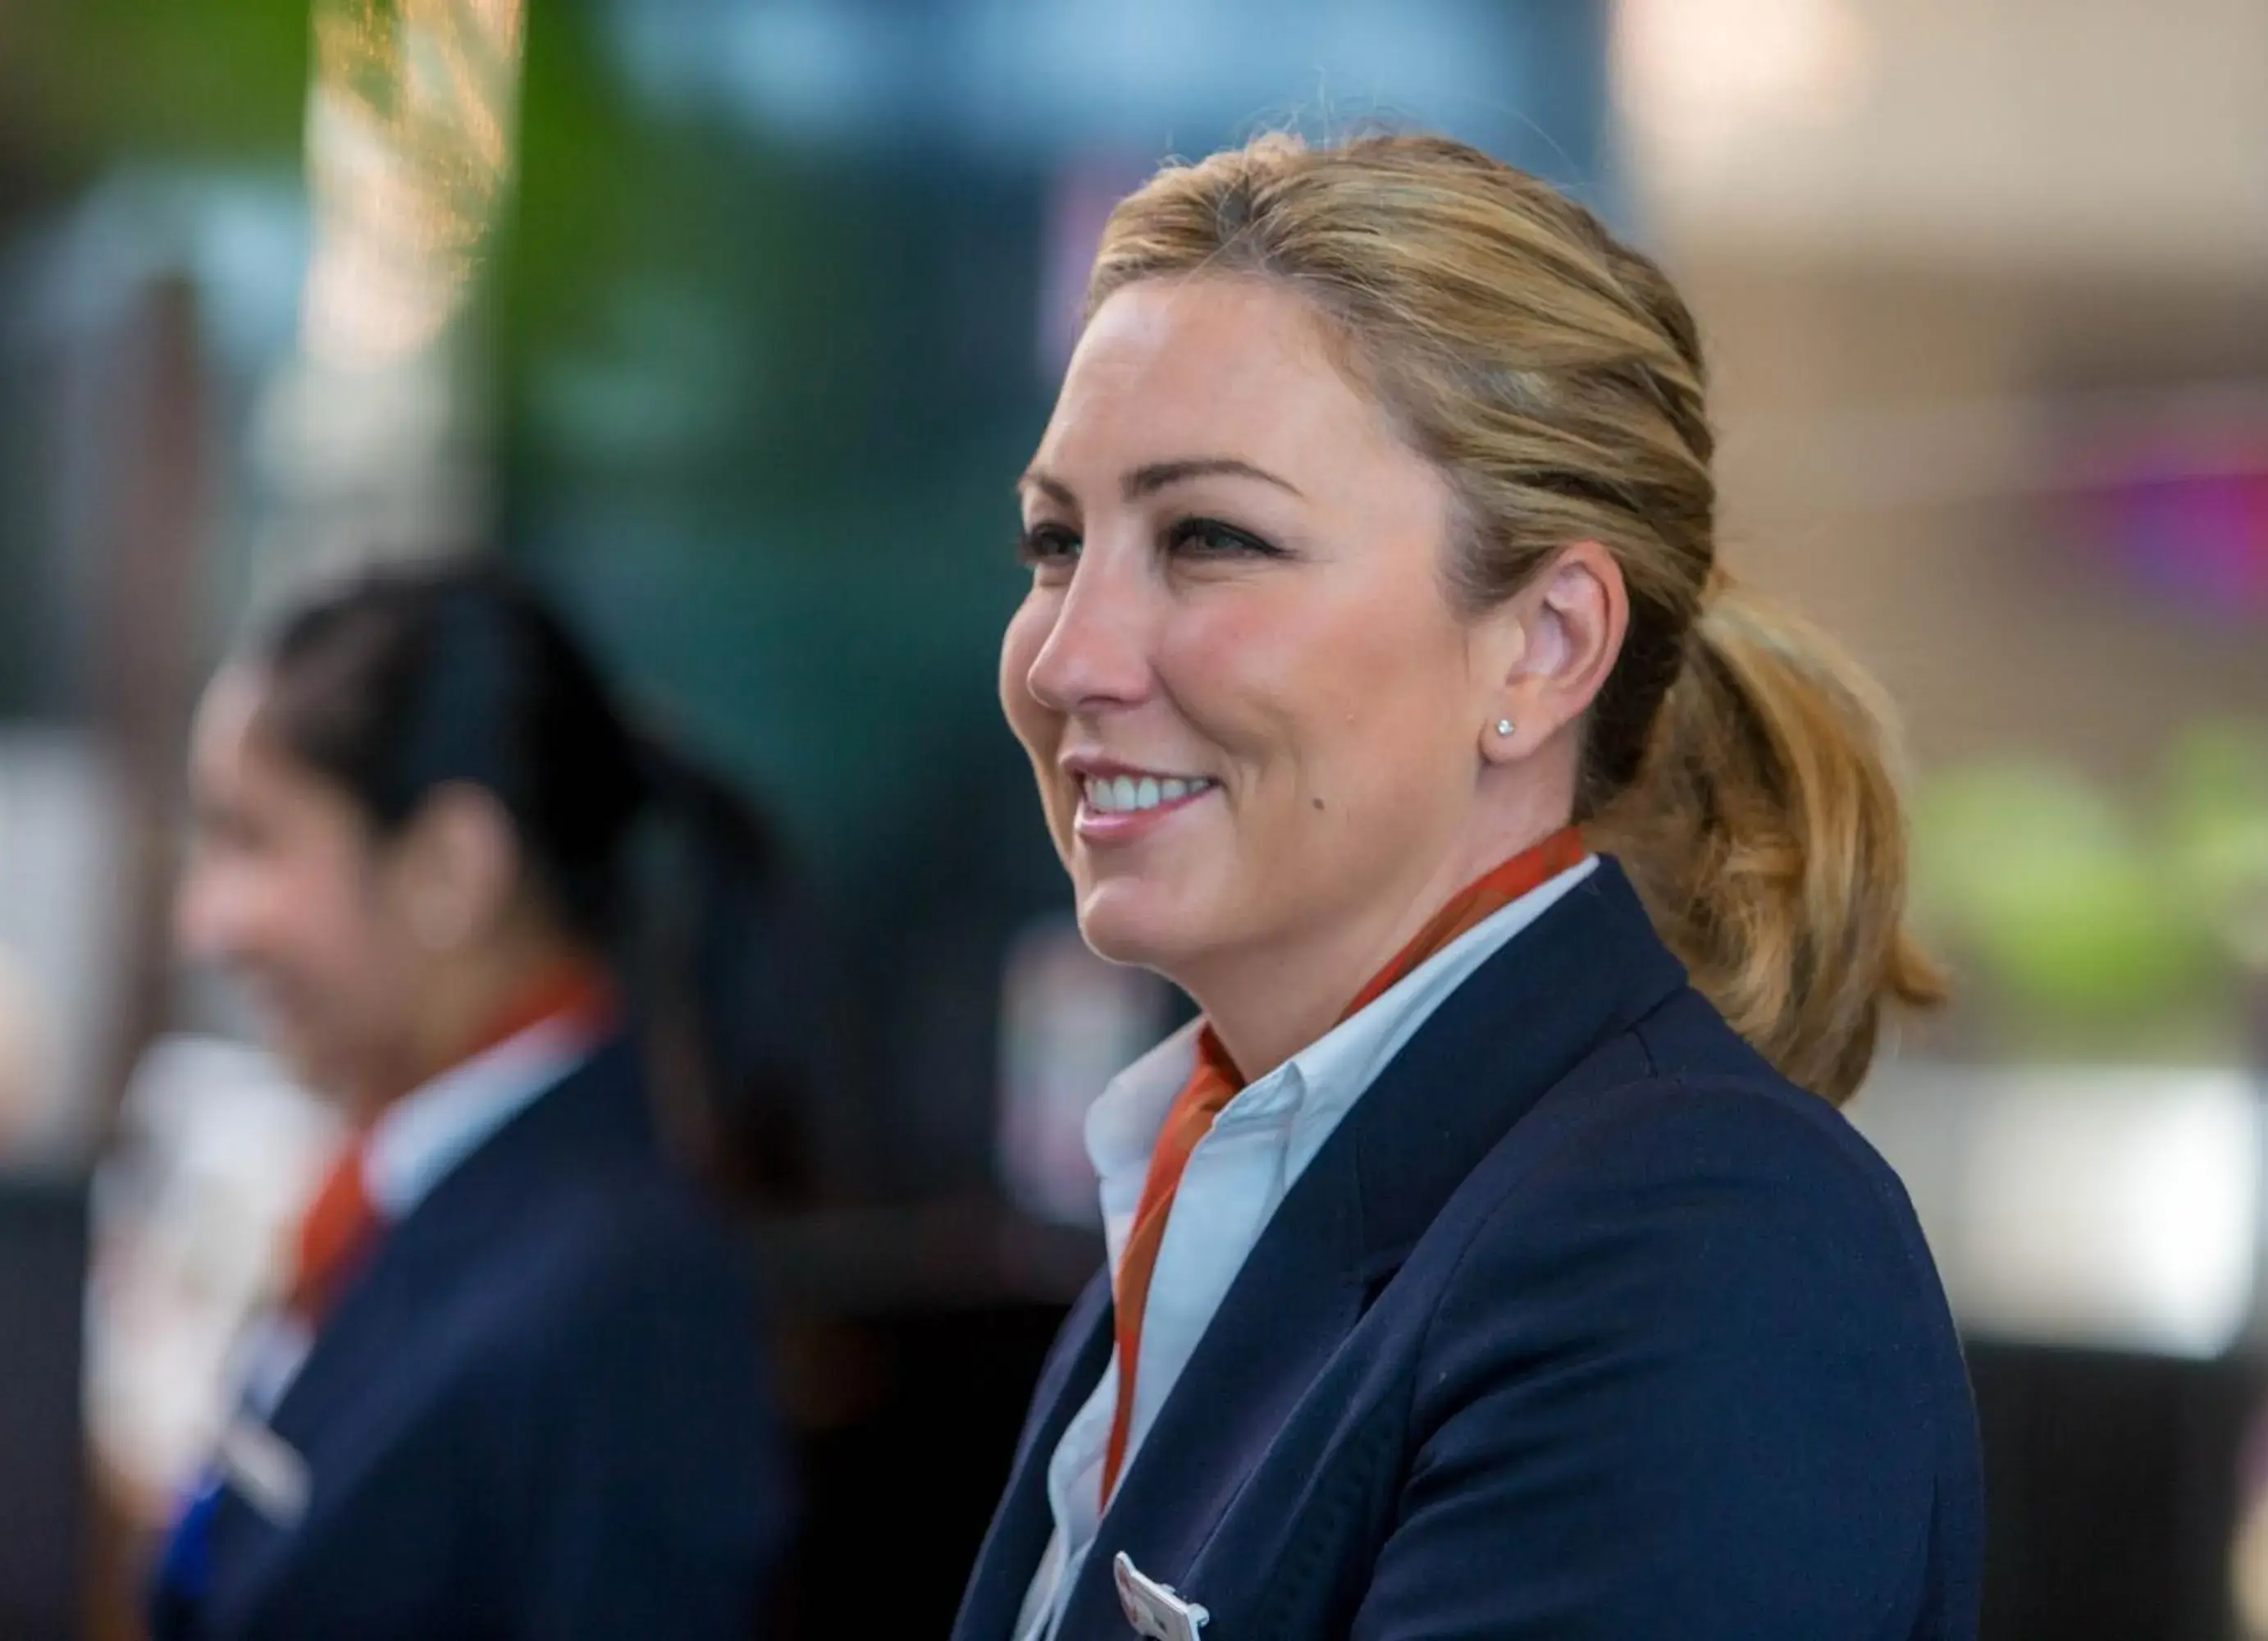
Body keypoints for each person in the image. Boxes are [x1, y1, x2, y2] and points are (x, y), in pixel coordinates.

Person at [953, 132, 1983, 1641]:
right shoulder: (1218, 1185)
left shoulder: (1703, 1246)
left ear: (1547, 643)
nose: (1064, 659)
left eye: (1211, 539)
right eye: (1057, 542)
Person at [153, 558, 799, 1640]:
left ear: (451, 869)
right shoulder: (411, 1195)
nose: (206, 922)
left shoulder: (622, 1298)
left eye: (252, 839)